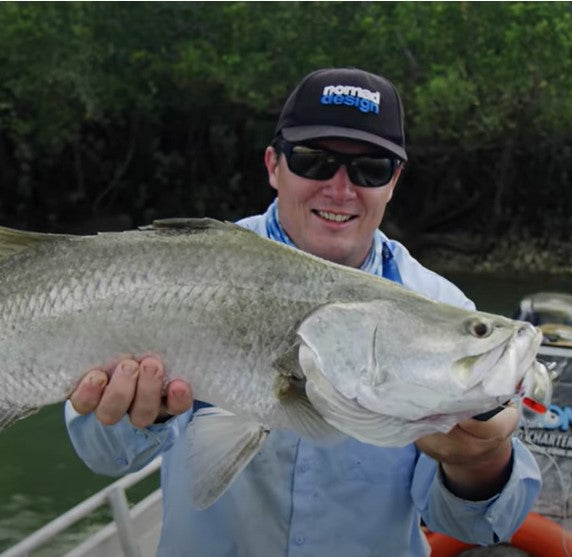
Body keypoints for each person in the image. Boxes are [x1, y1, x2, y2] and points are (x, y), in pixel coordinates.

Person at [65, 68, 541, 557]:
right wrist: (141, 415)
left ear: (394, 182)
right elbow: (102, 454)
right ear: (274, 165)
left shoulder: (441, 305)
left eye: (371, 168)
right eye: (315, 161)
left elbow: (476, 524)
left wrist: (480, 460)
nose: (340, 189)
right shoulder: (182, 267)